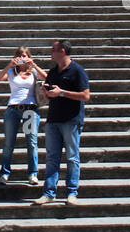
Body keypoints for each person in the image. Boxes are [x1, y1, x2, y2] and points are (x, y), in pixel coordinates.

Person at [33, 39, 90, 205]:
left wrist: (62, 93)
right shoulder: (53, 72)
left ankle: (72, 192)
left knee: (72, 157)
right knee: (52, 157)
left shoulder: (77, 71)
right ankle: (49, 192)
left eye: (53, 49)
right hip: (53, 119)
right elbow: (50, 95)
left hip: (71, 120)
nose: (51, 52)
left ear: (63, 51)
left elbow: (86, 96)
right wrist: (45, 92)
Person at [0, 45, 45, 185]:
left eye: (25, 55)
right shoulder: (11, 72)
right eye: (20, 55)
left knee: (31, 142)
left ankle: (32, 173)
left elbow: (47, 77)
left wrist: (34, 65)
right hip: (13, 109)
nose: (23, 58)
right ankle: (5, 173)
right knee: (9, 142)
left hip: (30, 109)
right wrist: (9, 65)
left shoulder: (33, 72)